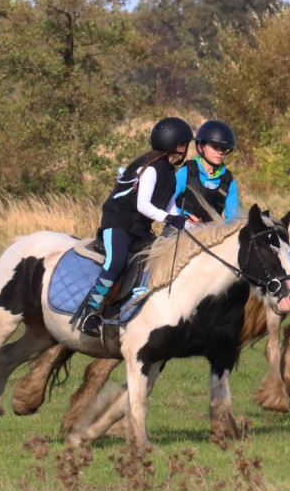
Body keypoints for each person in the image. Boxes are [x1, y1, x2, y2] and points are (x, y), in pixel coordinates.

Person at [77, 117, 193, 337]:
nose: (186, 150)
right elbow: (143, 206)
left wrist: (185, 224)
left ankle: (135, 310)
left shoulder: (169, 172)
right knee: (117, 261)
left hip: (138, 229)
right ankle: (90, 312)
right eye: (183, 145)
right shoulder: (151, 168)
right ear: (174, 145)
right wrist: (169, 220)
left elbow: (169, 205)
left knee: (158, 258)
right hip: (118, 224)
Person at [172, 120, 240, 224]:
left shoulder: (229, 181)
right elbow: (166, 202)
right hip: (178, 230)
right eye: (215, 147)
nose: (220, 152)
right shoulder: (185, 172)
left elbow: (233, 218)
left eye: (224, 148)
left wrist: (219, 225)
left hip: (209, 236)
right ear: (200, 147)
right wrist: (185, 217)